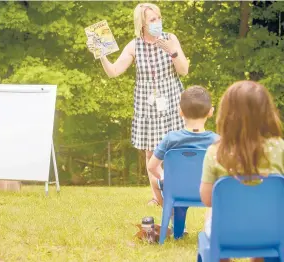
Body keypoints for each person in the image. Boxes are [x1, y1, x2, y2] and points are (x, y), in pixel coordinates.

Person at [87, 3, 189, 205]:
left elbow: (184, 71)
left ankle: (175, 192)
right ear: (142, 23)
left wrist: (173, 52)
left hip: (172, 99)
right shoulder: (134, 45)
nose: (157, 22)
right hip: (147, 103)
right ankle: (157, 198)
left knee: (174, 150)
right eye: (152, 20)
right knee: (151, 152)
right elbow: (114, 72)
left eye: (158, 18)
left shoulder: (171, 39)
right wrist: (102, 55)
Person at [200, 80, 284, 262]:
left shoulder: (215, 152)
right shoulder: (280, 148)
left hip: (226, 233)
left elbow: (207, 199)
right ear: (267, 114)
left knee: (212, 217)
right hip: (273, 231)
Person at [147, 86, 219, 206]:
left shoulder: (170, 139)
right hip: (207, 190)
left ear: (180, 111)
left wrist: (164, 177)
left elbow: (151, 167)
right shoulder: (217, 140)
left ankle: (173, 217)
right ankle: (210, 222)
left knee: (155, 181)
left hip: (176, 190)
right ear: (210, 112)